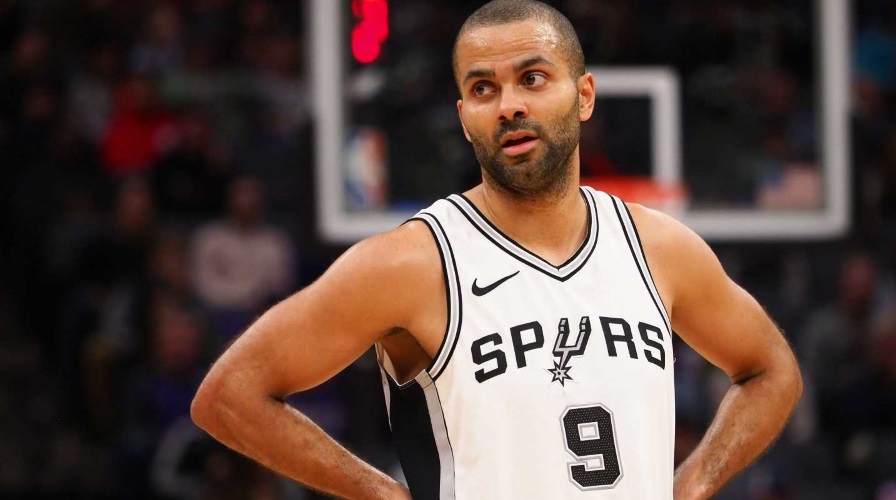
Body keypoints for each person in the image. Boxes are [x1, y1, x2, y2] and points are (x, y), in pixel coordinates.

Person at [190, 1, 802, 498]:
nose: (509, 105)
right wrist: (381, 495)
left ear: (584, 95)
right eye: (484, 88)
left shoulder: (658, 248)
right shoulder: (412, 262)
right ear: (465, 117)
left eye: (532, 79)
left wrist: (692, 485)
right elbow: (230, 394)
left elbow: (772, 370)